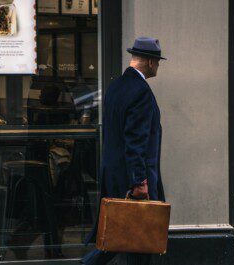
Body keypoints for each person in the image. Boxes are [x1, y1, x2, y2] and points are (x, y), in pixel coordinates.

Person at [81, 37, 167, 265]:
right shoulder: (141, 91)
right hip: (133, 180)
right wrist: (140, 182)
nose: (158, 66)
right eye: (157, 61)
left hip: (115, 175)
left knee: (118, 238)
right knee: (139, 242)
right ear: (150, 61)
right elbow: (135, 141)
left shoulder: (115, 86)